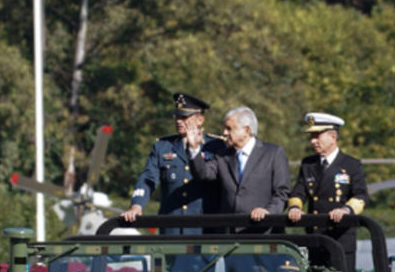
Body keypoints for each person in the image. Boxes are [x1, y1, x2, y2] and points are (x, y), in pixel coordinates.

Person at [122, 92, 221, 233]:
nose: (178, 121)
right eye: (177, 116)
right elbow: (148, 178)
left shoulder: (215, 146)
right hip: (171, 230)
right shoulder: (163, 146)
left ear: (200, 120)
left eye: (184, 117)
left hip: (204, 231)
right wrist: (137, 205)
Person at [287, 112, 369, 272]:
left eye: (317, 136)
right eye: (311, 136)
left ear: (333, 137)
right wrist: (295, 207)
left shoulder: (351, 165)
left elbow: (361, 196)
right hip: (315, 238)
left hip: (340, 239)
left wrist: (345, 211)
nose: (312, 141)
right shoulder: (308, 164)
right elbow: (298, 191)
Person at [187, 106, 291, 229]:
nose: (224, 132)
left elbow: (282, 192)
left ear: (247, 130)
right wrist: (194, 149)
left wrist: (268, 212)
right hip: (230, 232)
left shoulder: (273, 153)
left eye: (229, 128)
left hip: (263, 231)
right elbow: (203, 173)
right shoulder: (222, 156)